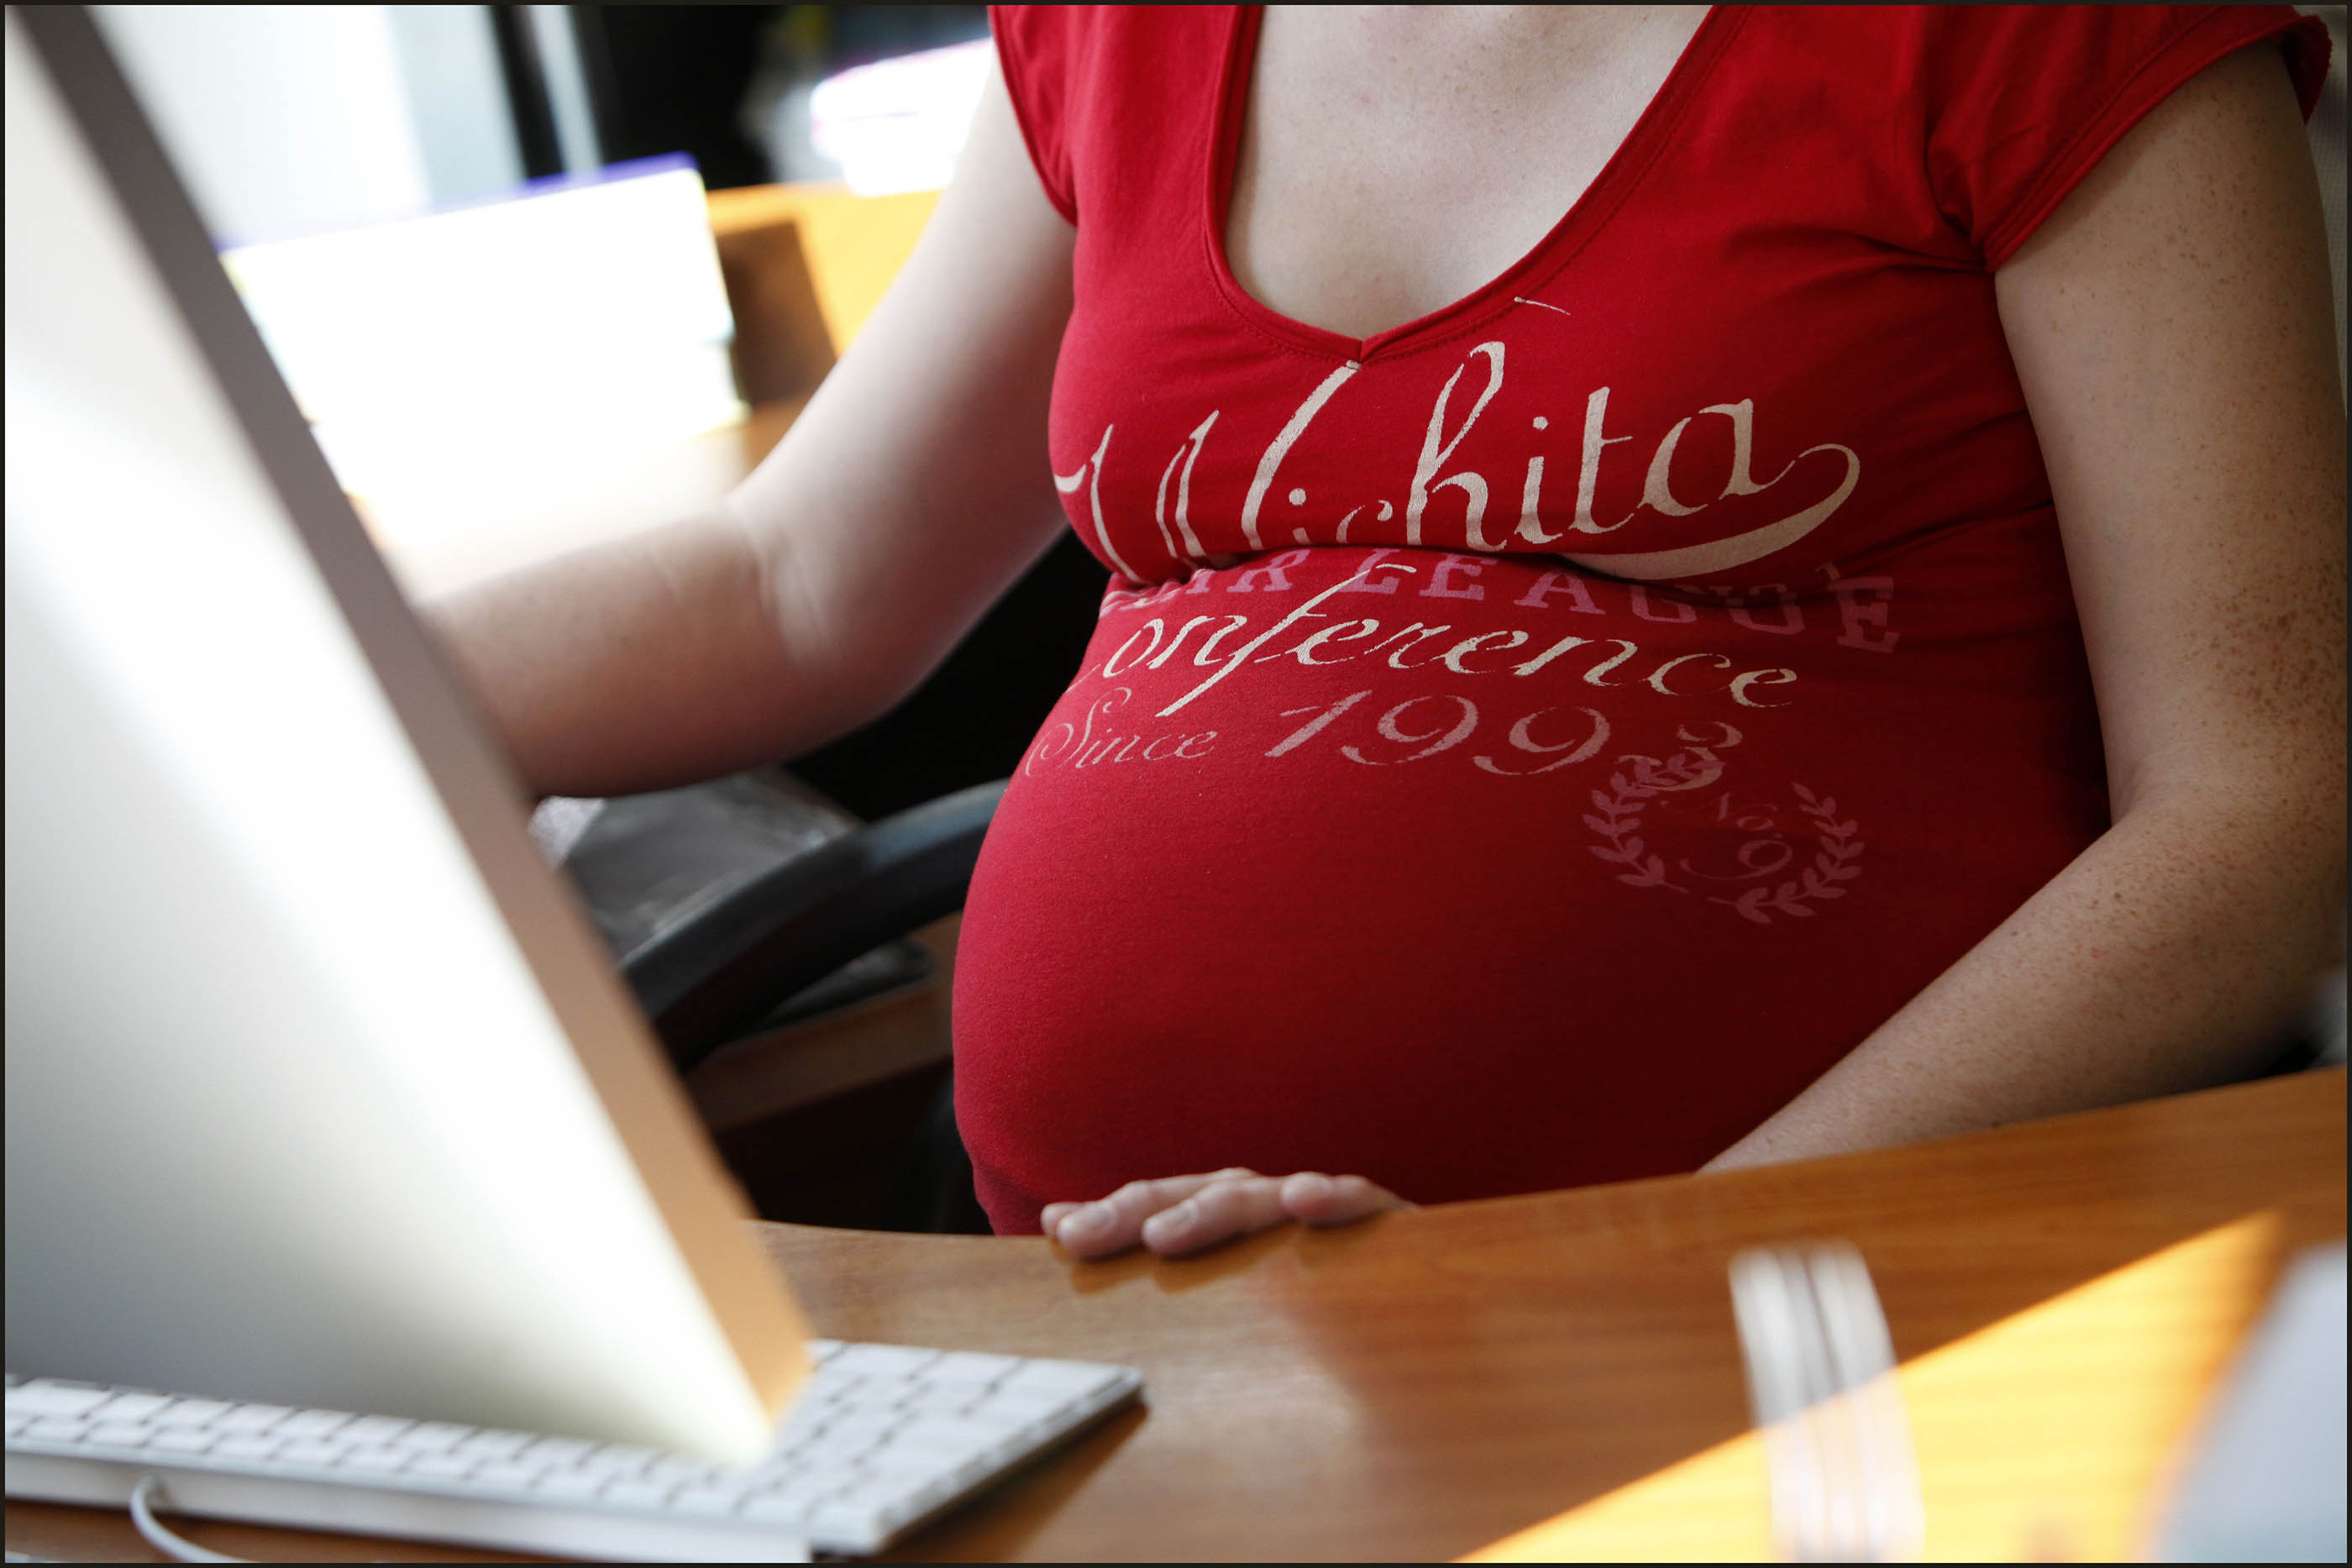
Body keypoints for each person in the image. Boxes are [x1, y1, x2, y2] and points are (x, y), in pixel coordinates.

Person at [433, 6, 2345, 1259]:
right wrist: (308, 711)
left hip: (1773, 1316)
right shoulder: (1120, 28)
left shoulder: (2046, 27)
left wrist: (1658, 1266)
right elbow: (795, 585)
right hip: (1105, 1327)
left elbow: (2268, 808)